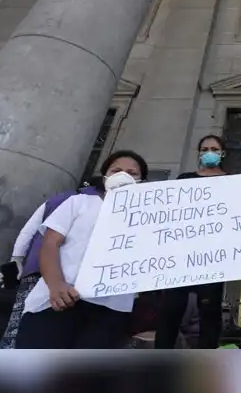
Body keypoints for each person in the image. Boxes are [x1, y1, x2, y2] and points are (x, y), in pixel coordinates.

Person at [14, 150, 149, 349]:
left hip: (112, 309)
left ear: (142, 181)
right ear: (104, 177)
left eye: (132, 173)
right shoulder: (78, 203)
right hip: (60, 299)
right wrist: (56, 285)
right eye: (116, 170)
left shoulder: (149, 217)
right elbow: (50, 243)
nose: (124, 176)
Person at [0, 178, 102, 349]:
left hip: (36, 269)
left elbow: (27, 231)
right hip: (61, 273)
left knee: (19, 323)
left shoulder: (58, 199)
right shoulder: (85, 203)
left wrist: (16, 260)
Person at [153, 135, 229, 349]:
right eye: (204, 148)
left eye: (214, 148)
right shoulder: (185, 178)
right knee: (171, 307)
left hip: (213, 254)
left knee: (210, 309)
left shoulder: (233, 181)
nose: (209, 152)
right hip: (181, 253)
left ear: (223, 153)